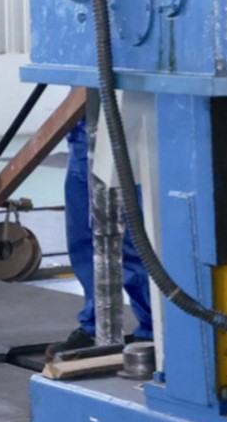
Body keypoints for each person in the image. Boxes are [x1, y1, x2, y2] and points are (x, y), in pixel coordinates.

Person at [48, 87, 152, 359]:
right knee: (83, 240)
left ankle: (153, 328)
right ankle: (94, 325)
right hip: (82, 141)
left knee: (130, 242)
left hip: (122, 140)